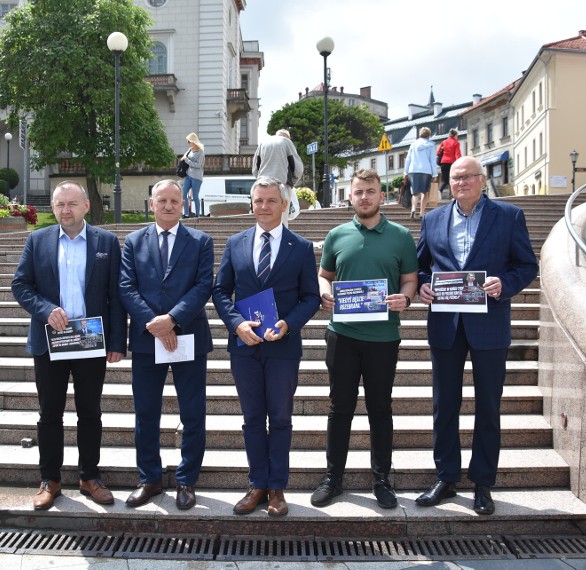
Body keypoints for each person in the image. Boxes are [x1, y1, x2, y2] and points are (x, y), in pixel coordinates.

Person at [414, 156, 538, 516]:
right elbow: (421, 267)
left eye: (468, 177)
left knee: (488, 405)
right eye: (455, 178)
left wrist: (506, 284)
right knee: (444, 405)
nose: (461, 182)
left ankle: (483, 484)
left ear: (482, 180)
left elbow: (527, 265)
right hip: (446, 323)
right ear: (448, 182)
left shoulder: (509, 216)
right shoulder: (432, 218)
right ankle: (446, 477)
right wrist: (422, 287)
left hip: (489, 323)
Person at [12, 180, 126, 511]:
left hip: (90, 340)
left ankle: (90, 476)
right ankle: (50, 479)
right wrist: (46, 310)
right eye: (59, 204)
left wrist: (117, 341)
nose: (65, 210)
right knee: (49, 413)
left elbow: (115, 296)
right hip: (51, 340)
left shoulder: (106, 242)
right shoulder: (38, 240)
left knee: (90, 411)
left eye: (72, 204)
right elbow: (20, 284)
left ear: (86, 206)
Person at [213, 176, 320, 517]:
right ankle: (257, 484)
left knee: (282, 418)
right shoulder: (235, 243)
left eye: (270, 201)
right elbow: (220, 291)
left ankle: (277, 489)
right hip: (244, 347)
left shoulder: (300, 247)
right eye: (258, 201)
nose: (263, 207)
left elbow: (311, 297)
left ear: (284, 204)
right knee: (252, 418)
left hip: (282, 348)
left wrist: (289, 323)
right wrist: (236, 324)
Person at [311, 168, 418, 510]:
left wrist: (406, 298)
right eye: (358, 192)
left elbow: (410, 280)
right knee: (339, 408)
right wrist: (324, 292)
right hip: (342, 334)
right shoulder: (336, 235)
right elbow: (324, 275)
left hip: (383, 337)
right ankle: (332, 478)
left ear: (381, 195)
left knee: (380, 409)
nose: (365, 197)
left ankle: (381, 480)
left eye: (370, 191)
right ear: (350, 197)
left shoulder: (401, 235)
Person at [119, 179, 214, 511]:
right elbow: (126, 287)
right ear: (151, 203)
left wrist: (172, 319)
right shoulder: (132, 241)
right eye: (163, 200)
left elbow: (204, 286)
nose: (169, 205)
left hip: (188, 335)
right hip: (147, 341)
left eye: (176, 200)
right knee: (146, 413)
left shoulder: (201, 241)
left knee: (192, 413)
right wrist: (155, 324)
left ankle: (187, 480)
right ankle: (150, 479)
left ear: (184, 204)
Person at [252, 129, 304, 225]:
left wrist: (260, 181)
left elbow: (255, 168)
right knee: (282, 217)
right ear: (288, 137)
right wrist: (291, 183)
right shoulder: (287, 142)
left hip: (262, 185)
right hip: (281, 184)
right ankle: (280, 239)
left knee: (263, 214)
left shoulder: (263, 143)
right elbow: (298, 169)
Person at [404, 127, 436, 220]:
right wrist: (435, 174)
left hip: (413, 170)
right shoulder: (430, 145)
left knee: (415, 193)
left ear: (420, 134)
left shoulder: (413, 145)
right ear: (429, 135)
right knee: (425, 192)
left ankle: (413, 209)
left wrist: (406, 172)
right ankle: (421, 212)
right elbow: (432, 160)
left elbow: (408, 159)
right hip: (426, 170)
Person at [181, 132, 205, 218]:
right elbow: (184, 158)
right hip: (188, 175)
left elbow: (198, 165)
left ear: (193, 141)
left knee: (195, 196)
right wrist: (184, 159)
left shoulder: (201, 152)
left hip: (197, 177)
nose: (188, 143)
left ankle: (197, 214)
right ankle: (186, 213)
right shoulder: (190, 150)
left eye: (189, 141)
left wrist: (187, 160)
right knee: (183, 194)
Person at [437, 128, 462, 197]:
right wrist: (459, 163)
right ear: (455, 135)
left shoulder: (444, 142)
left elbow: (438, 152)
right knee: (453, 178)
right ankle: (453, 196)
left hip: (443, 163)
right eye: (457, 136)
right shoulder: (456, 143)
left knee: (444, 180)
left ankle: (439, 192)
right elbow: (457, 154)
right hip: (452, 163)